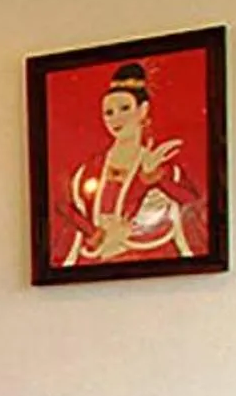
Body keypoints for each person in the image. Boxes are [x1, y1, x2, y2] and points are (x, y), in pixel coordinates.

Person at [59, 61, 196, 267]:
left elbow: (193, 204)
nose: (116, 118)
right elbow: (65, 208)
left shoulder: (160, 165)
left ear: (143, 110)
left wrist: (153, 178)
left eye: (124, 108)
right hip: (97, 260)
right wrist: (94, 232)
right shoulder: (89, 170)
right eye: (109, 113)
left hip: (150, 257)